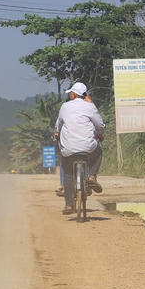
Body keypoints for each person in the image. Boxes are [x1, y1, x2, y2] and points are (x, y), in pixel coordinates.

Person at [53, 82, 105, 214]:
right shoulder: (90, 106)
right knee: (98, 153)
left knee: (68, 172)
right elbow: (100, 125)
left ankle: (69, 205)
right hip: (87, 146)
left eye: (71, 93)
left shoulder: (65, 107)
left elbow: (58, 125)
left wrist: (57, 133)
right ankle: (92, 176)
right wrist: (100, 134)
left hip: (69, 148)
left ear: (73, 94)